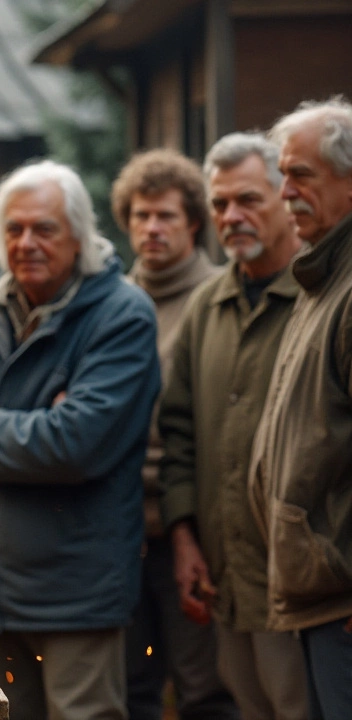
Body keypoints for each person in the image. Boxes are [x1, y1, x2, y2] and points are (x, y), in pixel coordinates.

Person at [0, 160, 160, 720]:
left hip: (78, 592)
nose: (27, 242)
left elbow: (74, 445)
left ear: (78, 236)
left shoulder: (122, 314)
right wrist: (32, 423)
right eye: (14, 229)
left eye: (44, 228)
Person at [160, 132, 307, 720]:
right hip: (223, 577)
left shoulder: (319, 299)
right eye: (220, 205)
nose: (231, 217)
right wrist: (184, 538)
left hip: (301, 582)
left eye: (248, 200)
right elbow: (179, 435)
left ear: (287, 197)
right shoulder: (206, 305)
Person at [110, 149, 236, 720]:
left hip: (195, 526)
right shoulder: (109, 303)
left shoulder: (219, 298)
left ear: (193, 222)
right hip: (118, 525)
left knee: (203, 688)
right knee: (130, 684)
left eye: (165, 216)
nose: (152, 228)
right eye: (140, 216)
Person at [251, 97, 352, 720]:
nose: (284, 190)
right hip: (319, 591)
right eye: (282, 174)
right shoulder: (321, 276)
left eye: (301, 174)